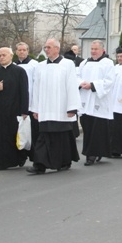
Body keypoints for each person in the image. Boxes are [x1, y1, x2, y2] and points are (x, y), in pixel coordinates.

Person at [27, 38, 81, 174]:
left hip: (61, 108)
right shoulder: (40, 66)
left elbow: (72, 86)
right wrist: (35, 108)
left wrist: (72, 107)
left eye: (49, 47)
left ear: (57, 49)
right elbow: (36, 88)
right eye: (45, 47)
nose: (46, 50)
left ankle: (63, 161)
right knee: (43, 136)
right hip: (45, 108)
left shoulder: (68, 64)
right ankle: (40, 165)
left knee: (61, 137)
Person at [0, 47, 29, 170]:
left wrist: (24, 110)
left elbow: (24, 91)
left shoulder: (19, 71)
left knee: (13, 135)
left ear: (11, 56)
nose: (1, 57)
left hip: (14, 109)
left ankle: (17, 159)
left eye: (4, 55)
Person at [77, 40, 114, 166]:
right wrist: (81, 83)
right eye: (92, 49)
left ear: (102, 50)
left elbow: (109, 81)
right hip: (85, 100)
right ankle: (91, 152)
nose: (93, 51)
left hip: (99, 99)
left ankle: (92, 154)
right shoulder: (85, 62)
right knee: (87, 127)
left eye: (95, 49)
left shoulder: (108, 63)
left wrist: (92, 85)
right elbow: (76, 76)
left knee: (97, 128)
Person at [15, 42, 40, 162]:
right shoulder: (14, 65)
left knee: (33, 131)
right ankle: (20, 156)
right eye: (19, 50)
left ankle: (34, 156)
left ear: (28, 51)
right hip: (17, 103)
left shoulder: (34, 65)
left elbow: (37, 84)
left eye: (24, 50)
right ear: (16, 52)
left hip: (31, 102)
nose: (22, 52)